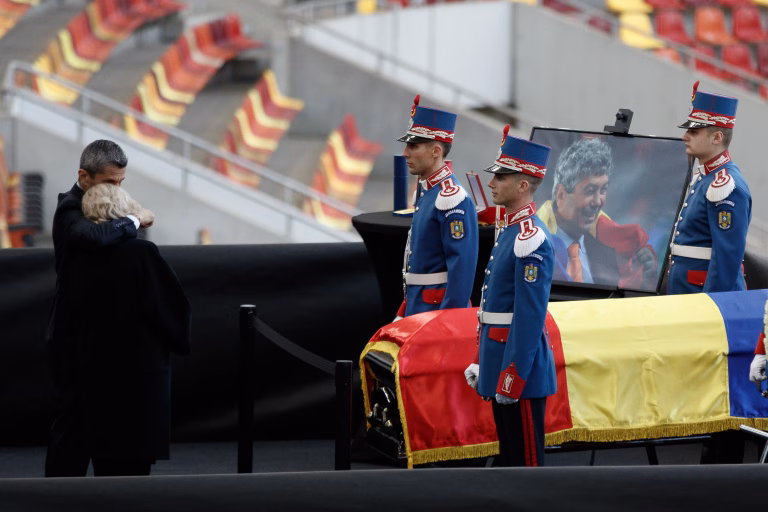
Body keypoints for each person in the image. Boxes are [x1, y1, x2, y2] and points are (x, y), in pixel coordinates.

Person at [45, 140, 155, 477]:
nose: (116, 189)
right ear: (85, 176)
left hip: (109, 337)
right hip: (74, 336)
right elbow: (96, 239)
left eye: (121, 182)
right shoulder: (69, 209)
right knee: (73, 422)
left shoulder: (111, 203)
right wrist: (136, 220)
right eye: (110, 182)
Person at [464, 125, 556, 467]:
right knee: (510, 460)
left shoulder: (530, 238)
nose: (491, 183)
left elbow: (528, 318)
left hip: (520, 371)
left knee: (526, 465)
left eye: (500, 177)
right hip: (499, 358)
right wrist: (481, 359)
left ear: (522, 185)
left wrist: (511, 376)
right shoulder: (512, 230)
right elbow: (492, 307)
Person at [670, 81, 751, 464]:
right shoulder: (706, 176)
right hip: (689, 293)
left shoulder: (725, 185)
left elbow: (726, 257)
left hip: (708, 299)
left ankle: (721, 463)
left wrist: (710, 308)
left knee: (718, 384)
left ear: (717, 136)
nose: (686, 135)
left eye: (695, 130)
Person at [394, 95, 478, 319]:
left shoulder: (452, 198)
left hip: (436, 311)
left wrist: (447, 322)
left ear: (436, 151)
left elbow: (461, 271)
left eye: (414, 146)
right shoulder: (428, 191)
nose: (405, 153)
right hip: (419, 305)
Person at [537, 138, 657, 289]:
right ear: (561, 194)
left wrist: (645, 275)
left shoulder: (609, 253)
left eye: (603, 190)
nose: (598, 201)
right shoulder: (535, 246)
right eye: (590, 191)